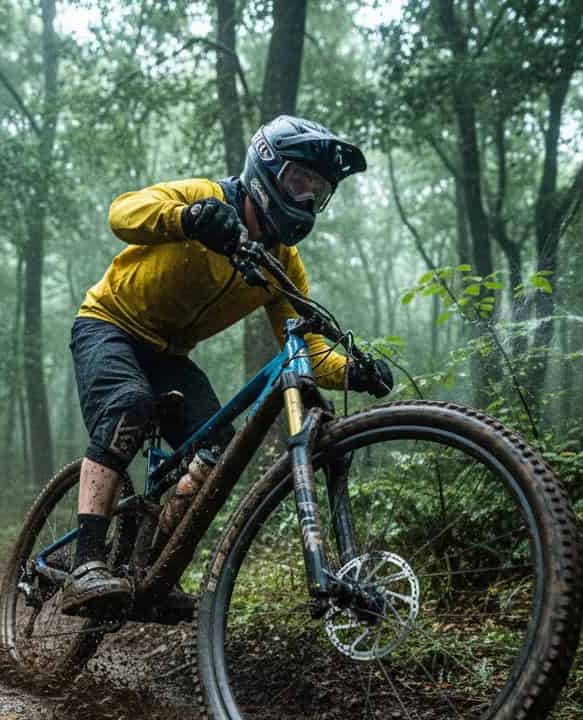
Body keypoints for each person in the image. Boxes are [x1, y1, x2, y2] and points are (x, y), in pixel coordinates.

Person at [61, 115, 392, 615]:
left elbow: (300, 341)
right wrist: (190, 217)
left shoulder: (282, 258)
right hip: (109, 324)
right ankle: (85, 564)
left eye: (317, 192)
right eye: (299, 182)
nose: (305, 200)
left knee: (220, 449)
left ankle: (149, 569)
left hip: (170, 356)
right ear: (266, 168)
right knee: (128, 402)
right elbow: (122, 213)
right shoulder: (208, 195)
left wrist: (352, 371)